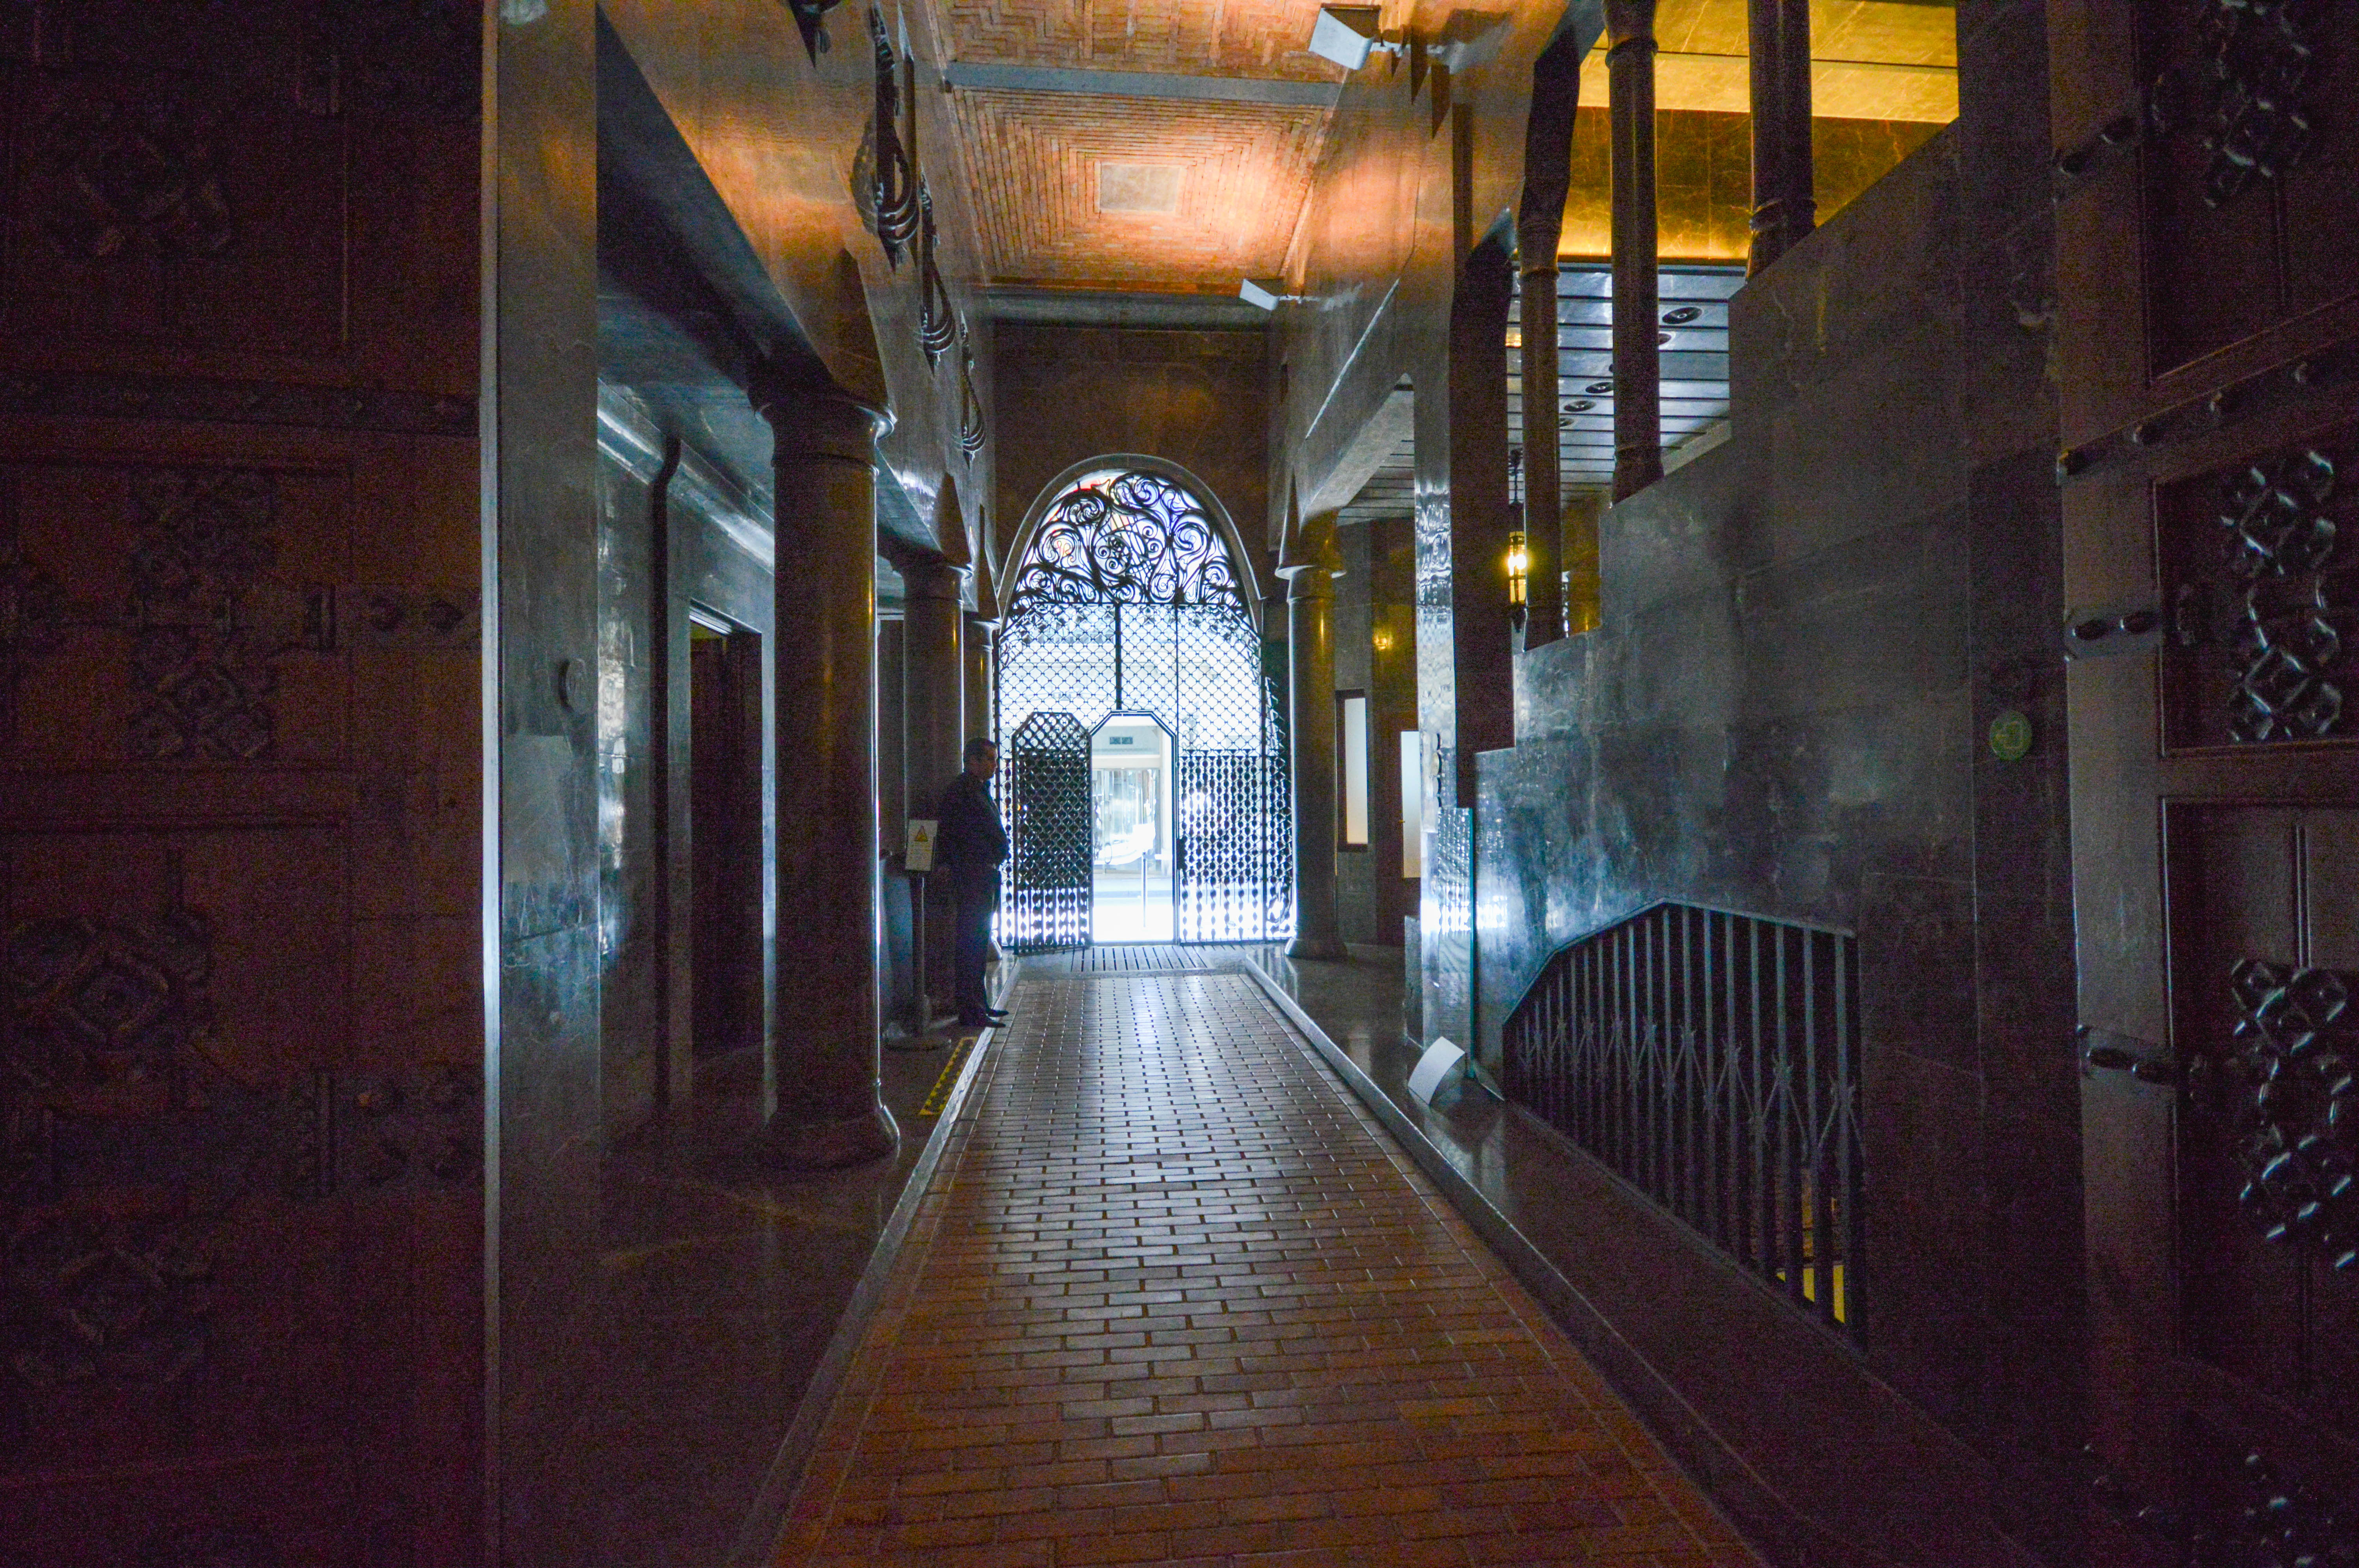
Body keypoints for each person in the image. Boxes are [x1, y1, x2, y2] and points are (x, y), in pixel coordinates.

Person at [936, 736, 1010, 1029]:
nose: (994, 765)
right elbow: (957, 836)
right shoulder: (962, 792)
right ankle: (970, 1010)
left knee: (979, 942)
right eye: (989, 759)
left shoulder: (980, 790)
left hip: (984, 874)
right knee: (971, 943)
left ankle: (980, 1004)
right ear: (973, 761)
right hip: (972, 876)